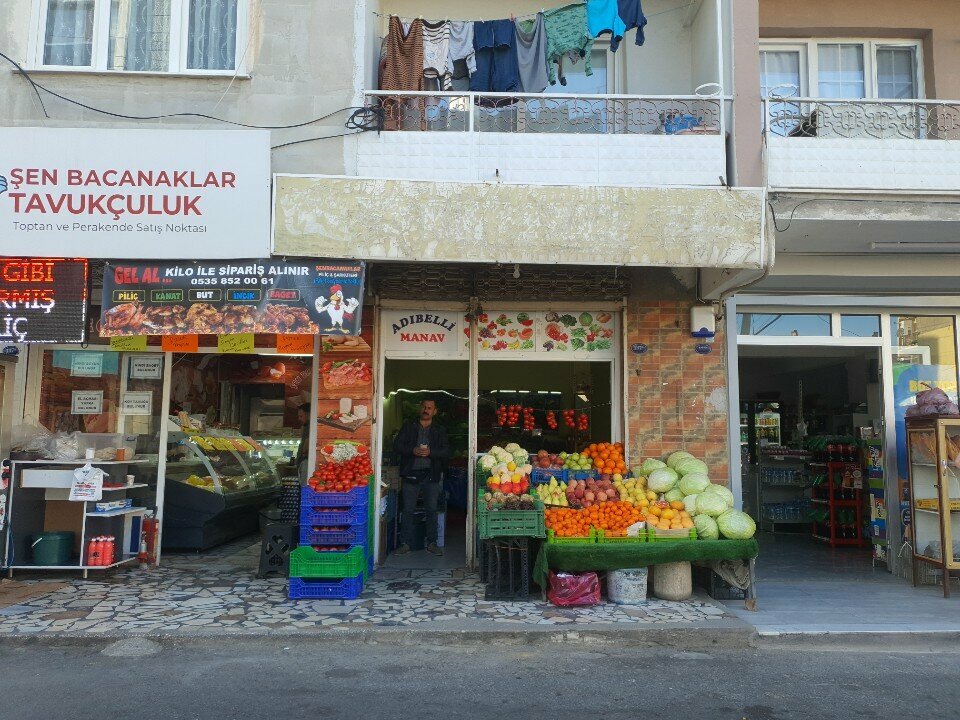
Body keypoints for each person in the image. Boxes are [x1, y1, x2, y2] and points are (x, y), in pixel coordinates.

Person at [393, 398, 449, 556]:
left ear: (434, 411)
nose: (426, 410)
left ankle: (432, 543)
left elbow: (446, 451)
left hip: (431, 475)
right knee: (408, 510)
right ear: (420, 408)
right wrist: (412, 450)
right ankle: (405, 544)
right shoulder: (409, 426)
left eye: (429, 408)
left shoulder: (439, 429)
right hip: (411, 474)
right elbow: (397, 446)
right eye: (424, 407)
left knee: (431, 510)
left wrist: (431, 452)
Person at [295, 403, 311, 484]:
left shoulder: (311, 427)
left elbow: (307, 444)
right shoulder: (306, 426)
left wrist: (304, 453)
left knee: (304, 488)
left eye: (301, 416)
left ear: (308, 414)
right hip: (303, 462)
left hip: (306, 462)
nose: (299, 419)